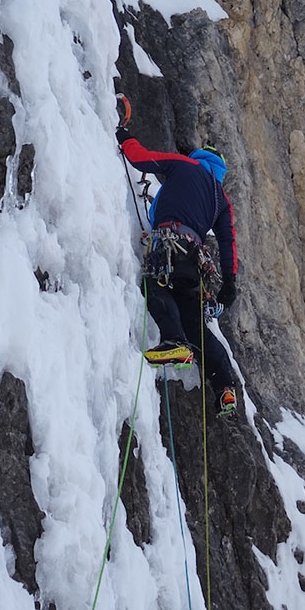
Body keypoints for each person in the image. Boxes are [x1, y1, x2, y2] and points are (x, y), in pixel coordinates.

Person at [115, 115, 239, 415]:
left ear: (200, 156)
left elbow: (141, 158)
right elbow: (227, 241)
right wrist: (230, 282)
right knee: (195, 321)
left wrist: (123, 136)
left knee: (155, 287)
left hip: (170, 242)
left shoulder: (184, 164)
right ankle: (225, 385)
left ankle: (174, 342)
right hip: (194, 256)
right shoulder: (220, 198)